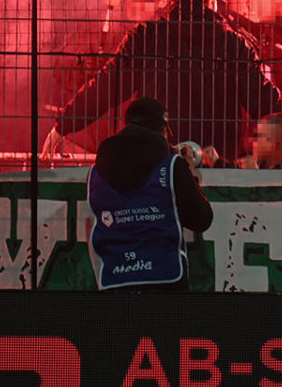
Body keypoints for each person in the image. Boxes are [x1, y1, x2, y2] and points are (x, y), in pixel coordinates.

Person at [42, 0, 282, 162]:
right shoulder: (233, 44)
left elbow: (109, 85)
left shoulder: (146, 37)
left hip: (157, 155)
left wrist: (64, 124)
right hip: (214, 159)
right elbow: (262, 97)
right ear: (212, 2)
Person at [87, 97, 213, 291]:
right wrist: (190, 175)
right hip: (164, 275)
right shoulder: (172, 166)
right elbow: (202, 219)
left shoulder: (95, 172)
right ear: (161, 129)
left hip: (115, 277)